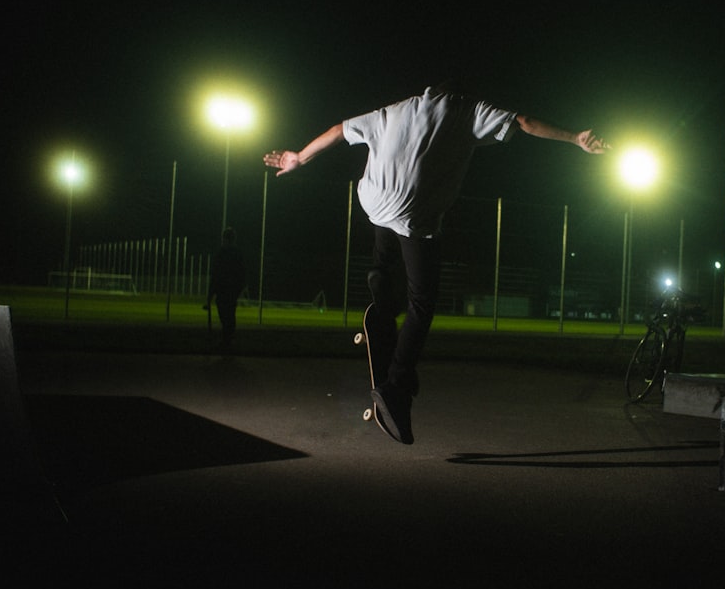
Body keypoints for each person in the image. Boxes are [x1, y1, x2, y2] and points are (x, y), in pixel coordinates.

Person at [263, 84, 609, 444]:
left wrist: (299, 157)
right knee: (423, 303)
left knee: (384, 246)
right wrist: (575, 137)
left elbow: (337, 131)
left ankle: (382, 295)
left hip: (373, 200)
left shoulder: (393, 110)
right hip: (413, 215)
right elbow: (524, 121)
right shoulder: (467, 110)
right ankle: (397, 384)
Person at [205, 226, 247, 350]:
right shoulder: (237, 254)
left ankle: (226, 340)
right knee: (229, 316)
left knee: (225, 316)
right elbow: (242, 274)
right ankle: (228, 339)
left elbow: (215, 275)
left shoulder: (221, 253)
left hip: (223, 290)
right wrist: (239, 289)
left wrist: (210, 294)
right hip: (230, 291)